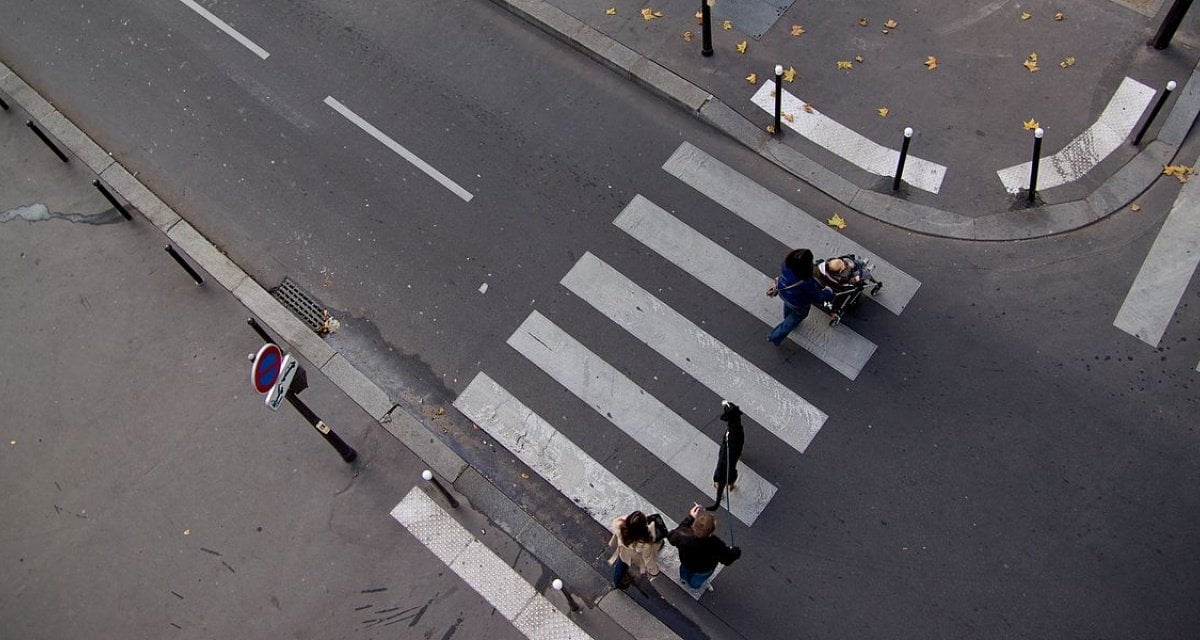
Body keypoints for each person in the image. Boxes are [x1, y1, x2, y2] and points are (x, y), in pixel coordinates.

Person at [767, 248, 833, 345]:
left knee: (788, 307)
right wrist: (828, 291)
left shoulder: (786, 265)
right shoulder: (806, 282)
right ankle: (775, 336)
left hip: (784, 293)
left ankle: (787, 317)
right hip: (798, 303)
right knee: (795, 318)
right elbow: (817, 297)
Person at [667, 504, 741, 589]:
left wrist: (690, 517)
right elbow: (727, 559)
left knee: (684, 571)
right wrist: (736, 551)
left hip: (686, 563)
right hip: (703, 569)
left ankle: (683, 579)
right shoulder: (715, 544)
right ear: (711, 532)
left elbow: (672, 536)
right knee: (696, 582)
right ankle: (693, 585)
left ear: (694, 525)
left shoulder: (684, 535)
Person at [607, 510, 666, 588]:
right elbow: (648, 559)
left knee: (621, 564)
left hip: (624, 552)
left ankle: (616, 582)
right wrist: (654, 572)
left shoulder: (620, 525)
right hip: (635, 556)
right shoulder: (645, 543)